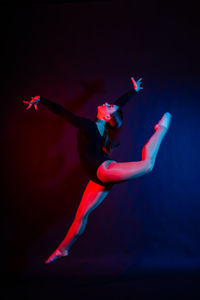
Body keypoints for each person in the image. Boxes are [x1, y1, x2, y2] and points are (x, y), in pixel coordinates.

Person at [23, 77, 172, 264]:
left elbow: (64, 113)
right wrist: (133, 91)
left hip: (104, 170)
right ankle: (63, 249)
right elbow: (118, 105)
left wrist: (42, 100)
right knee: (81, 216)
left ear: (107, 116)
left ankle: (161, 129)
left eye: (108, 107)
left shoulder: (89, 126)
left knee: (147, 165)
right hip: (97, 179)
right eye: (109, 105)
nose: (107, 103)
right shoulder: (99, 126)